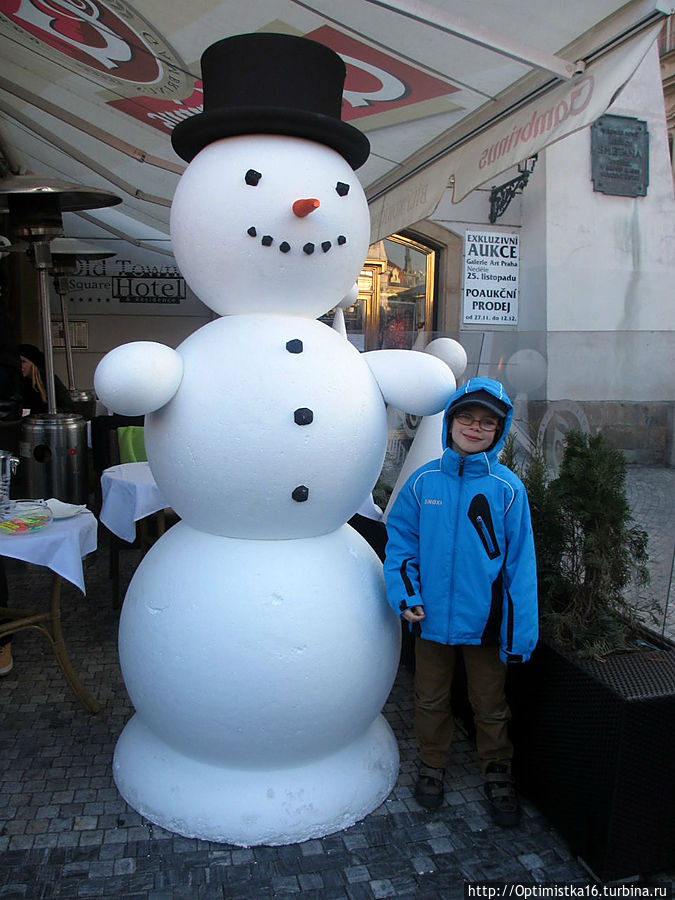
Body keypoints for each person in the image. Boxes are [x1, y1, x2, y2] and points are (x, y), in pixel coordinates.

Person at [383, 377, 538, 826]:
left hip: (486, 624)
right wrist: (405, 594)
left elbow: (520, 565)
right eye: (467, 417)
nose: (475, 427)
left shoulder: (507, 490)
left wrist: (520, 632)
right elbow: (401, 544)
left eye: (486, 422)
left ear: (499, 429)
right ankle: (433, 764)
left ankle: (497, 771)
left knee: (489, 703)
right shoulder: (421, 482)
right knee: (430, 699)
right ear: (450, 422)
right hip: (428, 619)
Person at [19, 343, 73, 414]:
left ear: (33, 364)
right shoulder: (19, 382)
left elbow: (68, 407)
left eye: (23, 362)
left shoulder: (49, 381)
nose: (20, 365)